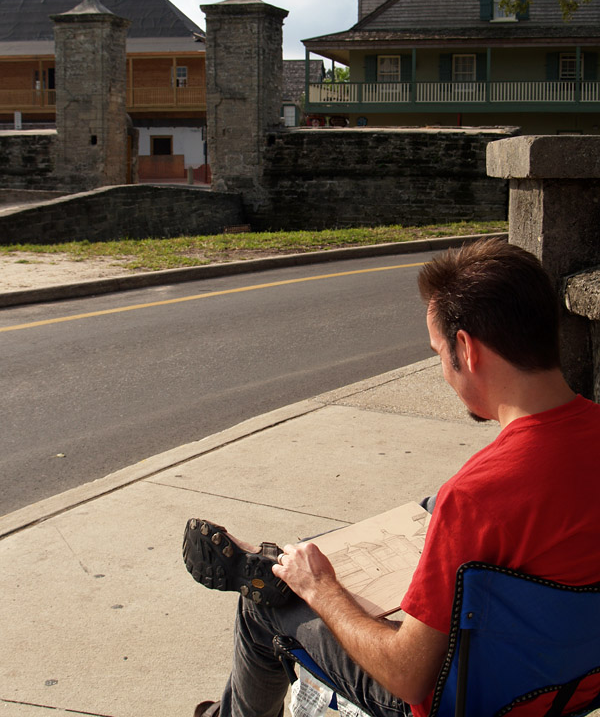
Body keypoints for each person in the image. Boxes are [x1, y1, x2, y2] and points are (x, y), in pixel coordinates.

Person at [186, 237, 600, 717]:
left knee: (262, 607)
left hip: (463, 701)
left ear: (466, 349)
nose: (443, 368)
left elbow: (409, 676)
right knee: (428, 505)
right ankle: (286, 566)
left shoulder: (477, 498)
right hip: (574, 685)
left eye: (438, 352)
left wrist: (324, 591)